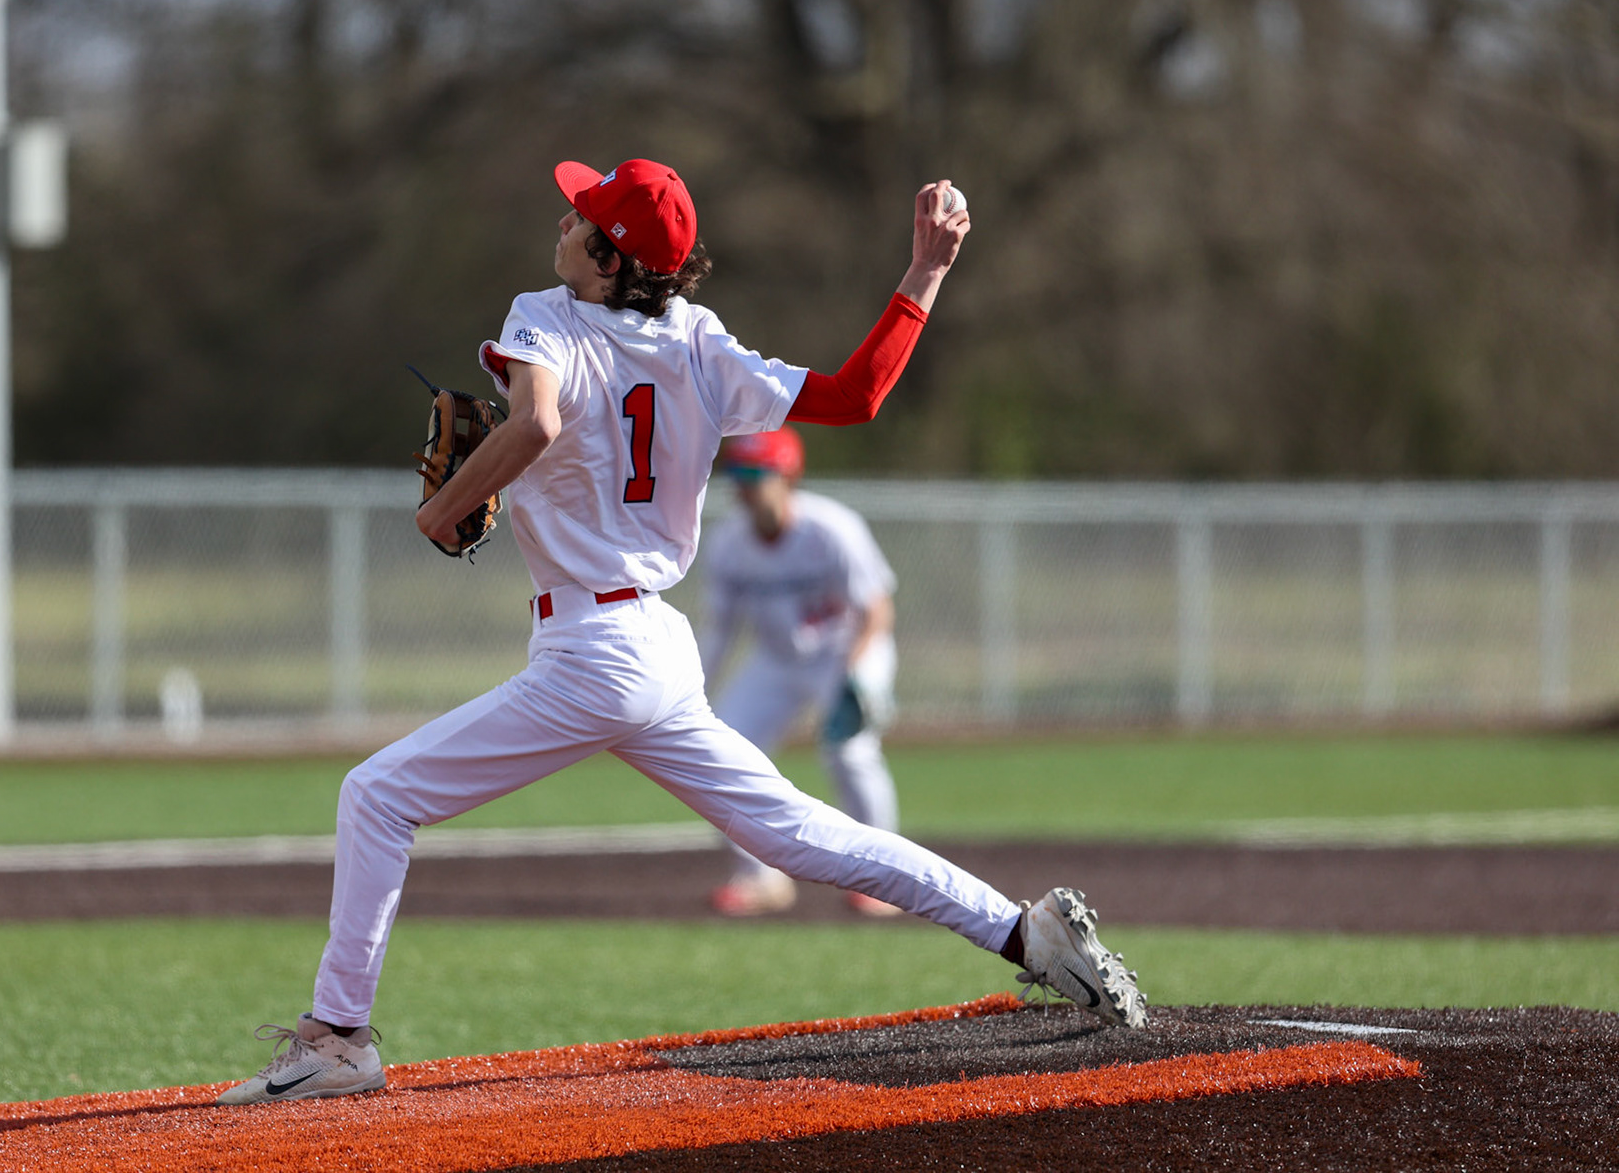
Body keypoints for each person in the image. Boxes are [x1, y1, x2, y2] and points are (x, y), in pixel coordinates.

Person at [217, 159, 1146, 1107]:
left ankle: (336, 1039)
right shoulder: (700, 342)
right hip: (655, 644)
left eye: (585, 215)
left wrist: (445, 505)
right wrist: (925, 273)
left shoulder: (546, 310)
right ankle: (1023, 933)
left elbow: (535, 423)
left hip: (593, 651)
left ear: (610, 256)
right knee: (799, 832)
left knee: (376, 796)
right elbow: (858, 395)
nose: (568, 218)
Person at [697, 425, 906, 918]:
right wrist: (693, 691)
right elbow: (720, 630)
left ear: (787, 474)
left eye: (756, 472)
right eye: (738, 474)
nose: (744, 485)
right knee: (717, 753)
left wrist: (855, 679)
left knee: (849, 753)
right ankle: (759, 878)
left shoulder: (831, 528)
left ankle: (887, 878)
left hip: (844, 650)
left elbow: (877, 611)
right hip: (776, 659)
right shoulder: (729, 544)